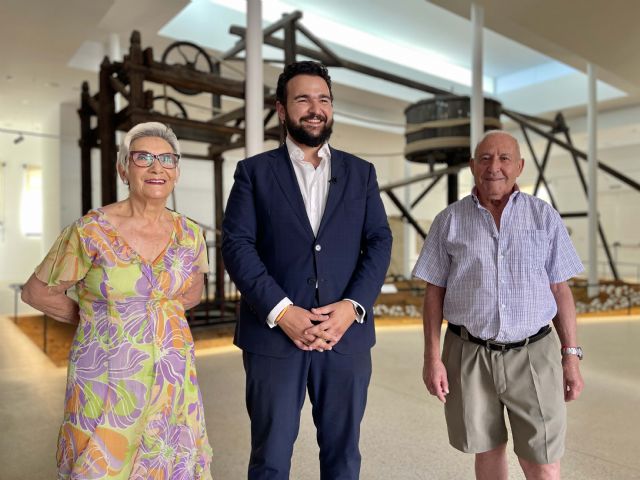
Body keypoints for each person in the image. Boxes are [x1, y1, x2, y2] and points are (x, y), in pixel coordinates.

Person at [221, 60, 392, 480]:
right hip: (273, 337)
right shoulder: (253, 173)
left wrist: (352, 307)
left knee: (343, 456)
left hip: (345, 336)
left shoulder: (361, 173)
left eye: (324, 99)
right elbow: (237, 244)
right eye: (303, 99)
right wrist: (282, 311)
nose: (315, 108)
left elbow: (379, 241)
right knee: (270, 457)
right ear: (282, 110)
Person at [21, 122, 213, 479]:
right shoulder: (90, 231)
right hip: (106, 380)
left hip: (173, 381)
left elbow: (191, 293)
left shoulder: (190, 233)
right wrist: (99, 316)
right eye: (143, 158)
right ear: (123, 169)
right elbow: (36, 292)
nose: (157, 167)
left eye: (167, 159)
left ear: (177, 171)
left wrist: (151, 316)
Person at [413, 130, 584, 480]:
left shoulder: (543, 217)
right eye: (486, 158)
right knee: (486, 451)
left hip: (534, 354)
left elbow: (560, 289)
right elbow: (434, 294)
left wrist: (571, 356)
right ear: (473, 165)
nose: (495, 167)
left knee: (544, 457)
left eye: (505, 158)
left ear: (519, 166)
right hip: (469, 354)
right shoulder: (449, 221)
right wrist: (432, 358)